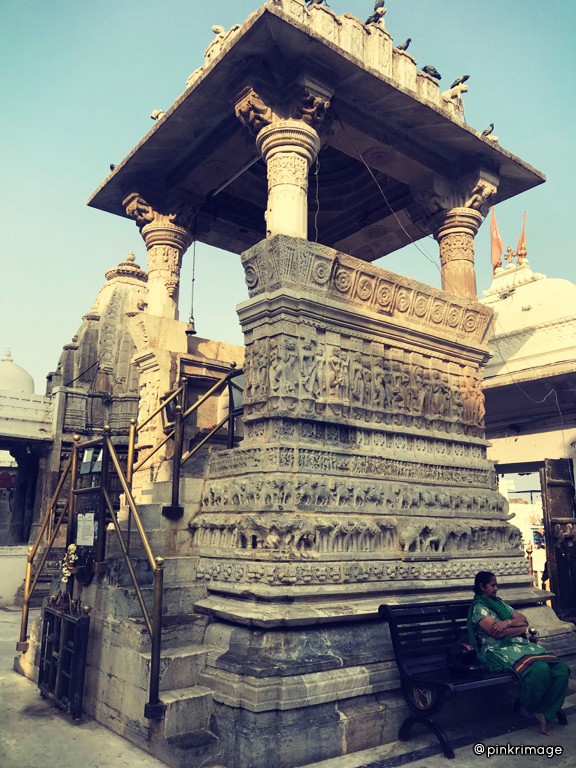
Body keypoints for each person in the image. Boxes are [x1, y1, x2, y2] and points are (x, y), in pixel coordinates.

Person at [467, 571, 569, 735]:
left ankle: (546, 710)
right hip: (496, 649)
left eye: (496, 585)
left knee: (561, 669)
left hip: (517, 644)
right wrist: (518, 628)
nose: (496, 588)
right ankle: (536, 709)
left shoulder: (500, 604)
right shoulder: (479, 608)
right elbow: (496, 634)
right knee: (539, 670)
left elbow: (523, 620)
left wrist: (507, 622)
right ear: (481, 587)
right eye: (492, 585)